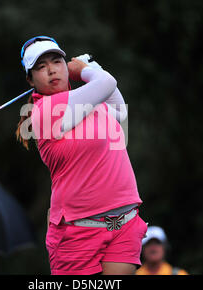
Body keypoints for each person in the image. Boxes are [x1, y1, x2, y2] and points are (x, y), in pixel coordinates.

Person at [15, 35, 148, 275]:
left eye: (56, 62)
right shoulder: (45, 111)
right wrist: (85, 70)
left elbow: (119, 111)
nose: (51, 71)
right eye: (41, 67)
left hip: (124, 223)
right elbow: (107, 83)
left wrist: (91, 69)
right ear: (30, 80)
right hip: (77, 233)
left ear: (65, 65)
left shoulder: (87, 102)